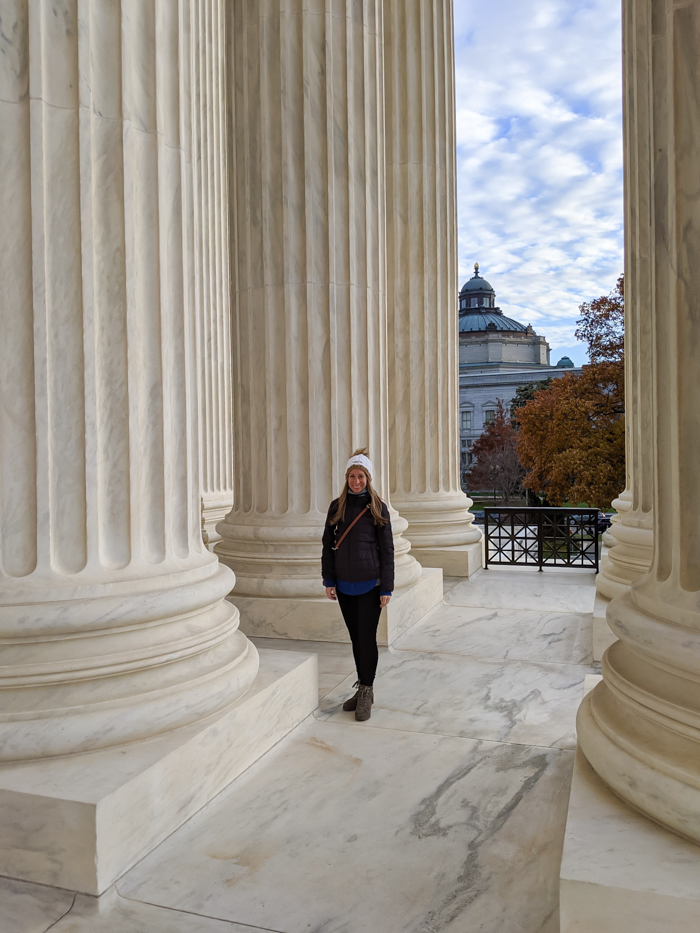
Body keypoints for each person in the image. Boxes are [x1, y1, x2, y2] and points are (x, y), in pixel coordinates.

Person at [322, 449, 394, 721]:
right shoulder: (336, 507)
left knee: (367, 638)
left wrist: (386, 587)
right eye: (352, 476)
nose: (356, 481)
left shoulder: (377, 507)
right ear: (346, 478)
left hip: (371, 585)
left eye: (361, 476)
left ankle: (366, 690)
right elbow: (327, 546)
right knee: (355, 639)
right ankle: (362, 684)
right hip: (343, 585)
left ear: (368, 478)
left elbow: (388, 550)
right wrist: (329, 579)